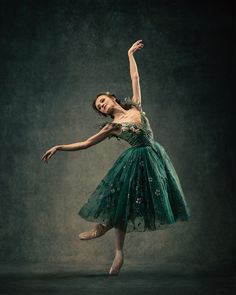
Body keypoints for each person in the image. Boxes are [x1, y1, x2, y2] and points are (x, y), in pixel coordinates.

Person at [41, 40, 191, 276]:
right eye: (99, 107)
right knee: (123, 201)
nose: (101, 105)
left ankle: (104, 230)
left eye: (102, 100)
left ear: (111, 97)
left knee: (134, 205)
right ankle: (117, 250)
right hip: (133, 163)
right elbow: (86, 143)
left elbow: (135, 79)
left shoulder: (135, 108)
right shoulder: (112, 126)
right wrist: (59, 147)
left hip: (154, 158)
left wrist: (130, 54)